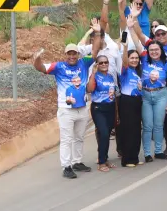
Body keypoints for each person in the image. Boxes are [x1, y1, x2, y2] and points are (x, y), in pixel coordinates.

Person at [33, 23, 101, 179]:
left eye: (74, 54)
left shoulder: (84, 63)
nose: (72, 56)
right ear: (65, 55)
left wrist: (97, 33)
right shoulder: (59, 67)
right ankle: (66, 166)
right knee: (66, 139)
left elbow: (96, 52)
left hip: (82, 107)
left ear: (78, 54)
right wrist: (37, 59)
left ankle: (77, 161)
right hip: (66, 109)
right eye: (69, 54)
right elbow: (41, 68)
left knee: (79, 137)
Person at [140, 31, 167, 162]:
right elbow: (139, 41)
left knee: (159, 124)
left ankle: (159, 151)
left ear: (161, 50)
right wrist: (132, 28)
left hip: (161, 94)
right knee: (148, 125)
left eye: (156, 49)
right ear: (148, 51)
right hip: (145, 95)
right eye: (151, 50)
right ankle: (147, 153)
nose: (154, 52)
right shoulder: (143, 59)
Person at [118, 16, 144, 167]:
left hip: (137, 101)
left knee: (136, 129)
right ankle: (126, 158)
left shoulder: (138, 72)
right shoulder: (126, 71)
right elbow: (125, 61)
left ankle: (134, 157)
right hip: (126, 102)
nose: (134, 60)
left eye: (136, 58)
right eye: (132, 58)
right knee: (127, 129)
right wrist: (126, 47)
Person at [87, 53, 117, 172]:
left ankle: (105, 158)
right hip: (98, 109)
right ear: (97, 65)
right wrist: (93, 73)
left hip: (110, 107)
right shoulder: (95, 76)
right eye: (101, 63)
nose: (104, 64)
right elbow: (89, 89)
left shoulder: (110, 76)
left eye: (106, 62)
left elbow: (113, 92)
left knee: (107, 134)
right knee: (104, 133)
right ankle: (101, 162)